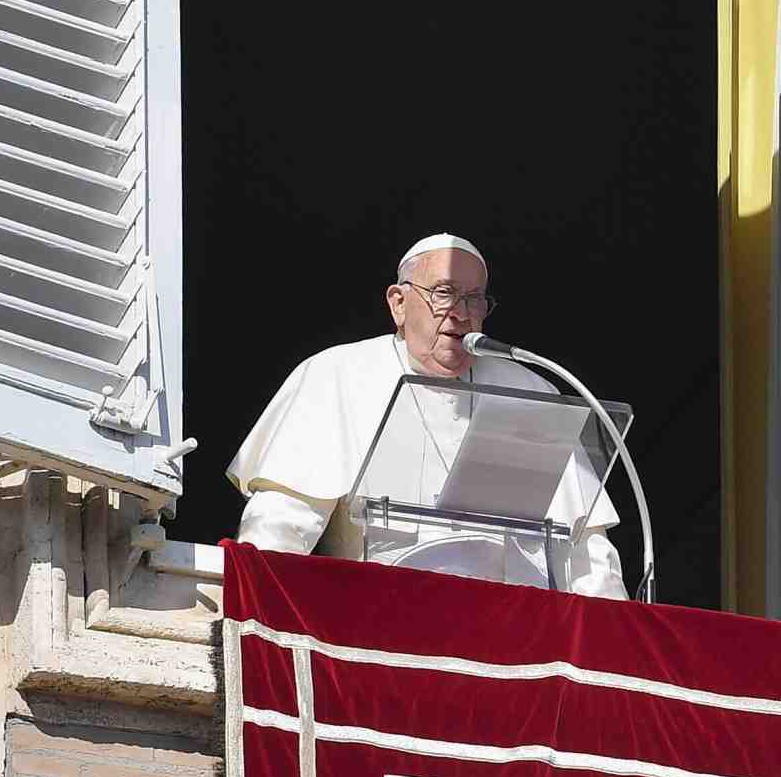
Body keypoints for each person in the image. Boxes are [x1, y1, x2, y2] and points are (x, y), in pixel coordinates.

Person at [228, 233, 628, 599]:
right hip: (383, 615)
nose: (460, 313)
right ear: (398, 303)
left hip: (518, 627)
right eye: (443, 293)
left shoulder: (531, 389)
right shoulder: (337, 374)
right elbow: (281, 524)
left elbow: (585, 550)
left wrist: (611, 640)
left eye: (475, 299)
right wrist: (262, 602)